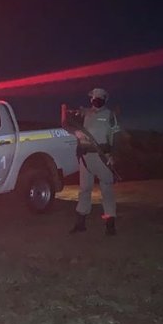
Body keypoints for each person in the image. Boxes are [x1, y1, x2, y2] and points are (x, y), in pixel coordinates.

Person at [69, 87, 120, 235]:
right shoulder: (84, 113)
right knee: (84, 189)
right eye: (94, 97)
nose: (96, 99)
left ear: (105, 99)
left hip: (102, 156)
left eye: (100, 97)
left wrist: (113, 155)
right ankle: (80, 223)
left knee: (107, 189)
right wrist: (75, 132)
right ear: (90, 99)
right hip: (86, 157)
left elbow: (116, 136)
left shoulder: (109, 115)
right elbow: (67, 123)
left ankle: (110, 225)